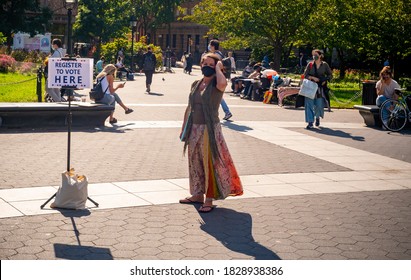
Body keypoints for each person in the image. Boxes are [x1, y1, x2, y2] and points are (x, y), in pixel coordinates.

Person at [179, 53, 243, 213]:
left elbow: (223, 83)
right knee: (195, 161)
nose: (206, 66)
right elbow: (189, 107)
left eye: (210, 64)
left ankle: (209, 199)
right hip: (194, 127)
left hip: (209, 130)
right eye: (204, 63)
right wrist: (184, 127)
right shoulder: (196, 83)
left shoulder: (216, 84)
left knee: (209, 163)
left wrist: (219, 68)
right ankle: (197, 194)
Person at [302, 49, 332, 129]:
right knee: (309, 104)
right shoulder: (310, 64)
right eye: (313, 55)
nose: (314, 56)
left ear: (320, 56)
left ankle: (317, 117)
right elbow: (305, 75)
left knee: (319, 105)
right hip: (310, 87)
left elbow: (330, 75)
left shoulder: (325, 65)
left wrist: (325, 80)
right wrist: (312, 77)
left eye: (316, 55)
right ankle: (310, 122)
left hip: (319, 88)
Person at [206, 39, 233, 121]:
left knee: (216, 95)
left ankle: (225, 112)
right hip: (218, 77)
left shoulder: (216, 55)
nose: (209, 47)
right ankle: (224, 112)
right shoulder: (219, 54)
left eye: (210, 45)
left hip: (216, 77)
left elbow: (215, 67)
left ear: (213, 46)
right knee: (216, 95)